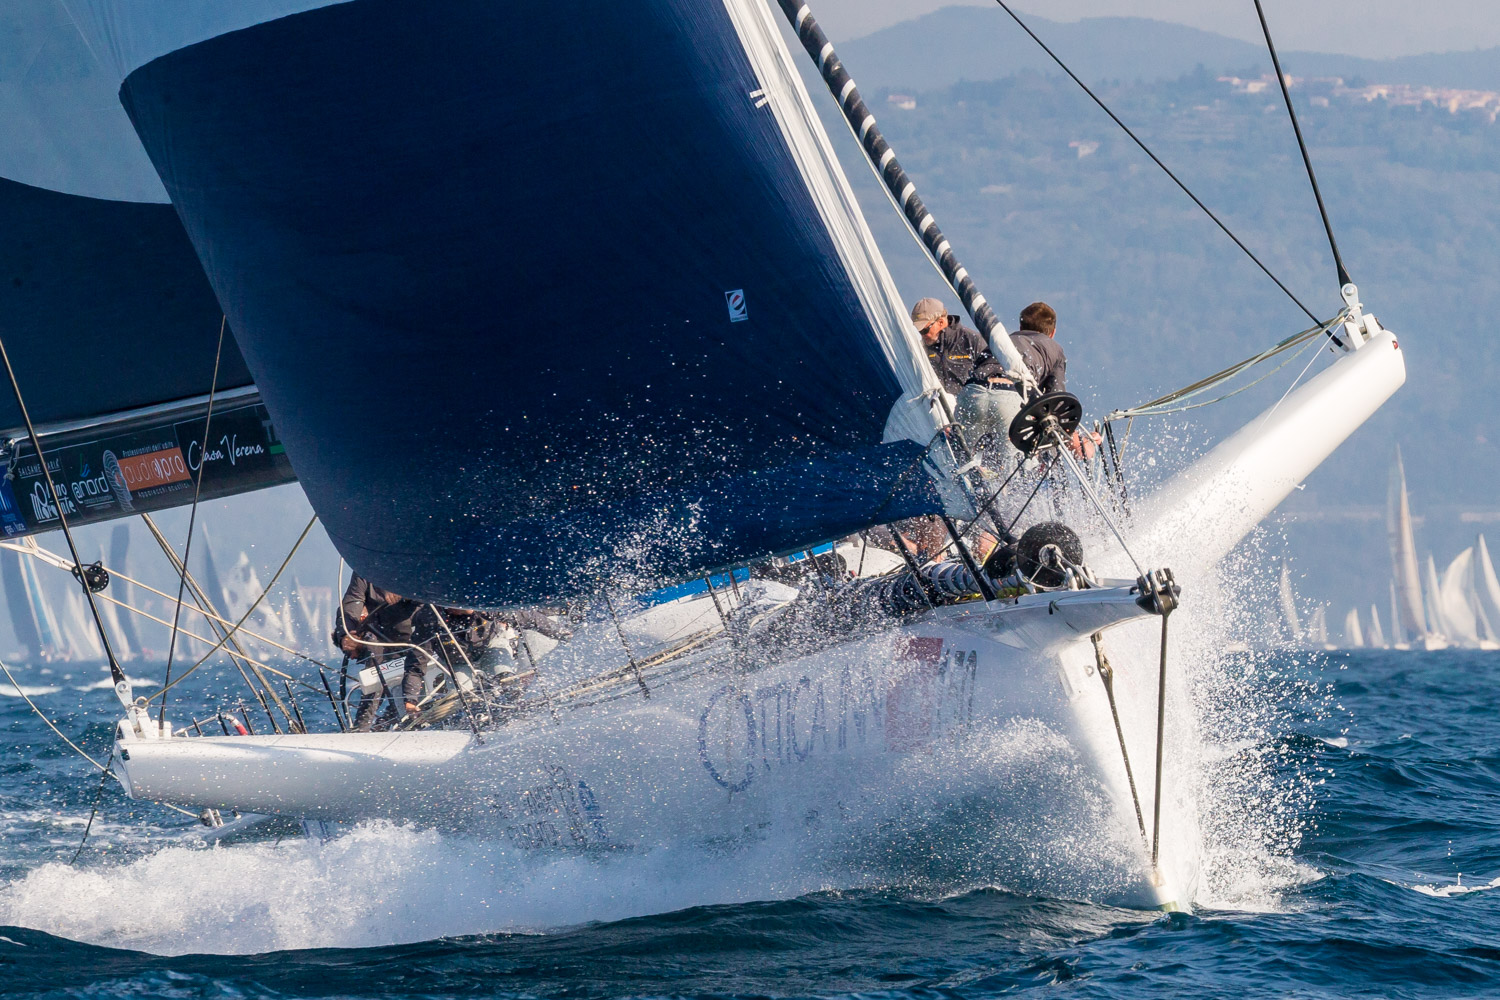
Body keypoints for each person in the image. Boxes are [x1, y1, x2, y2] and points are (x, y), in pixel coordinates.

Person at [401, 605, 572, 722]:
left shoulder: (482, 605)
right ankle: (474, 719)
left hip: (491, 645)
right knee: (462, 696)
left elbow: (527, 618)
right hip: (457, 661)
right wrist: (410, 700)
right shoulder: (429, 619)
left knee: (505, 677)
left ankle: (514, 709)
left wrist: (563, 633)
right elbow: (416, 664)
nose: (469, 607)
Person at [333, 573, 418, 731]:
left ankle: (403, 719)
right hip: (383, 640)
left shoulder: (417, 563)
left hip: (422, 635)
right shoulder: (364, 569)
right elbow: (352, 603)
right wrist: (346, 634)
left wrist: (405, 591)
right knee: (375, 658)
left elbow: (433, 589)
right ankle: (364, 727)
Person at [911, 297, 1003, 396]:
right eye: (918, 331)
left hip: (968, 402)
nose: (922, 335)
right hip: (935, 404)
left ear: (941, 322)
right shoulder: (920, 348)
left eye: (924, 330)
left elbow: (995, 372)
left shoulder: (973, 341)